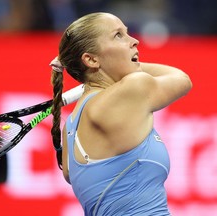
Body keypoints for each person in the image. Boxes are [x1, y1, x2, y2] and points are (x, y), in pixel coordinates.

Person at [49, 12, 192, 215]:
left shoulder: (70, 127)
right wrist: (128, 68)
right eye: (118, 35)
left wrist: (112, 66)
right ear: (90, 59)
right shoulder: (133, 88)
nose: (134, 40)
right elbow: (181, 79)